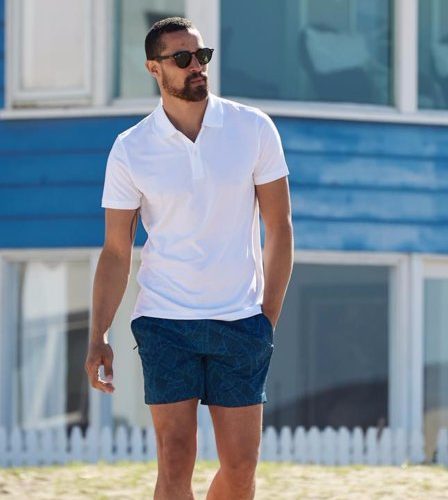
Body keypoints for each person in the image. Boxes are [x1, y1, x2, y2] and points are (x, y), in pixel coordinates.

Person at [84, 17, 293, 500]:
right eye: (182, 58)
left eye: (202, 56)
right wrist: (98, 334)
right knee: (175, 459)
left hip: (241, 321)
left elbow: (279, 227)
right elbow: (116, 251)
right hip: (165, 322)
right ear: (154, 69)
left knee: (241, 469)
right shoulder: (131, 148)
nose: (197, 66)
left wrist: (267, 318)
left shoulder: (253, 128)